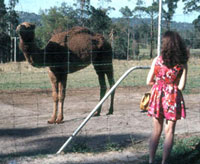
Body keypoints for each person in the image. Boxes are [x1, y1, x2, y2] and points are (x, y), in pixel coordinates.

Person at [146, 31, 189, 164]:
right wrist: (171, 86)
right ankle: (164, 162)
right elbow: (181, 86)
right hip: (173, 98)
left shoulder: (157, 60)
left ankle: (151, 160)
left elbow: (148, 81)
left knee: (156, 131)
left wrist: (159, 86)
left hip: (158, 96)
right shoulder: (182, 64)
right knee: (169, 131)